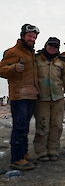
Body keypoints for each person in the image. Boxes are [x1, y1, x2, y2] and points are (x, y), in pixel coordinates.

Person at [0, 24, 40, 170]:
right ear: (23, 35)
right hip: (19, 96)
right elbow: (1, 70)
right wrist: (13, 68)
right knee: (19, 127)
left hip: (30, 95)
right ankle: (16, 159)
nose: (32, 39)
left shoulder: (30, 53)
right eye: (29, 36)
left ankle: (24, 154)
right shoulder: (12, 52)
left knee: (25, 127)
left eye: (34, 37)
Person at [34, 37, 65, 161]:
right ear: (46, 45)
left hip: (58, 98)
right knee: (42, 125)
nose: (53, 48)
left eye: (55, 46)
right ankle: (41, 151)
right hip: (42, 99)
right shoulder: (36, 59)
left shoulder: (61, 62)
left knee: (57, 125)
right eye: (50, 45)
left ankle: (53, 150)